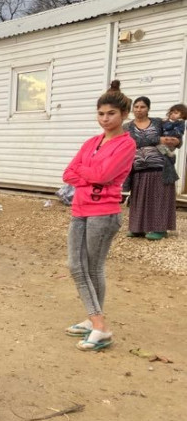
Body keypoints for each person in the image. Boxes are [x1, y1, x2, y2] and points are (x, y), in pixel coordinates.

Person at [62, 80, 136, 351]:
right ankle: (96, 321)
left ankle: (100, 326)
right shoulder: (92, 141)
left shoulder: (126, 144)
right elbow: (68, 172)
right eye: (101, 113)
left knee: (89, 267)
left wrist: (87, 174)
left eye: (111, 114)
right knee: (77, 265)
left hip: (104, 213)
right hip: (80, 209)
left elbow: (104, 176)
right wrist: (90, 177)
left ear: (123, 115)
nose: (105, 119)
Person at [125, 96, 181, 240]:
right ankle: (137, 228)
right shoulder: (127, 127)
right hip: (138, 168)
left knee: (159, 198)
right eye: (136, 107)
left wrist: (175, 140)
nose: (139, 109)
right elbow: (131, 143)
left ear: (148, 108)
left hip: (160, 167)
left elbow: (175, 137)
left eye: (142, 107)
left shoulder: (158, 123)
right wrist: (156, 140)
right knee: (140, 199)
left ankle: (160, 229)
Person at [158, 104, 186, 184]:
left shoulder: (180, 122)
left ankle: (171, 156)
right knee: (160, 148)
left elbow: (177, 132)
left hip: (172, 143)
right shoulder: (170, 122)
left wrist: (168, 124)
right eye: (171, 112)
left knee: (160, 147)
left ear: (182, 115)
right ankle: (170, 156)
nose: (172, 114)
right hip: (166, 142)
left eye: (176, 113)